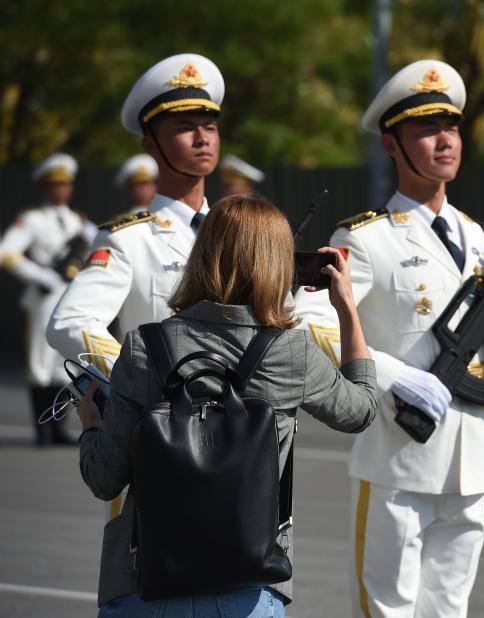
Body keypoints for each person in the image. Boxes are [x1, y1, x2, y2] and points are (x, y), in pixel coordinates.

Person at [293, 59, 484, 617]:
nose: (444, 140)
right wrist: (393, 374)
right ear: (391, 145)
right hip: (395, 458)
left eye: (450, 126)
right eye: (426, 129)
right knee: (388, 609)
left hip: (471, 458)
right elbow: (307, 319)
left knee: (449, 610)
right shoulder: (366, 239)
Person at [75, 193, 378, 616]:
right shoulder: (292, 351)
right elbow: (361, 410)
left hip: (144, 580)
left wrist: (90, 421)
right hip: (247, 583)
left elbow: (104, 478)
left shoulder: (143, 345)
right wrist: (346, 308)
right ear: (278, 264)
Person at [47, 52, 223, 517]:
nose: (203, 136)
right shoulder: (129, 238)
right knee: (148, 586)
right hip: (158, 439)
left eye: (209, 123)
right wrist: (136, 384)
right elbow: (69, 322)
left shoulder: (238, 232)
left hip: (237, 444)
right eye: (185, 126)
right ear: (150, 143)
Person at [0, 153, 96, 446]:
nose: (61, 190)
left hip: (70, 300)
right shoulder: (32, 220)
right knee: (40, 365)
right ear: (44, 187)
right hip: (43, 300)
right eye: (55, 184)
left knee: (64, 366)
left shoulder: (79, 222)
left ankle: (58, 428)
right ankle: (42, 430)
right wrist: (40, 276)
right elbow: (6, 253)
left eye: (65, 184)